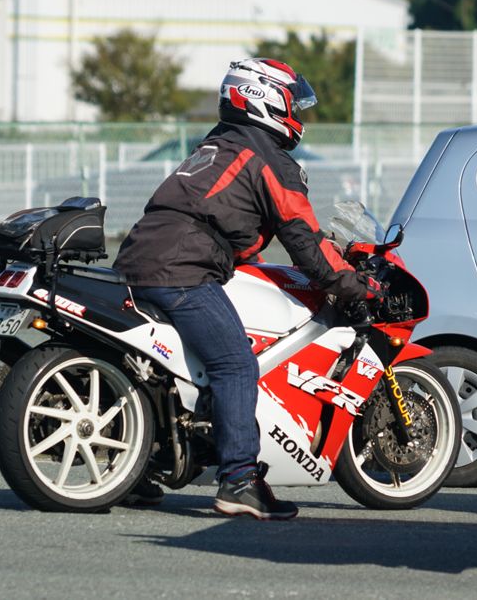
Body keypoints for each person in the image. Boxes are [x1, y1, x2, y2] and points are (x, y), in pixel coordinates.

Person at [113, 58, 379, 520]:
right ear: (264, 99)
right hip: (183, 270)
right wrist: (355, 284)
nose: (299, 112)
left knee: (168, 371)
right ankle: (239, 480)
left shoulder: (214, 146)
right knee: (235, 363)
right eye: (294, 102)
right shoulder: (269, 160)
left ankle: (142, 469)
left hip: (140, 259)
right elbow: (307, 243)